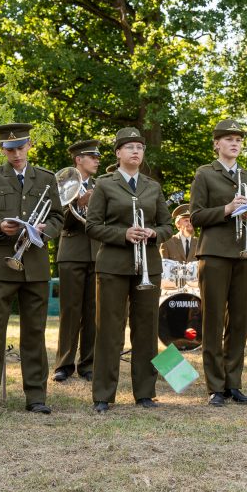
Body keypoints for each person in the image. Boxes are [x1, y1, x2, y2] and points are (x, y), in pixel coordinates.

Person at [0, 123, 65, 418]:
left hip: (34, 265)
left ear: (29, 146)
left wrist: (46, 230)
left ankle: (36, 397)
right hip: (1, 265)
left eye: (21, 147)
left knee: (34, 333)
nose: (16, 153)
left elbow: (60, 218)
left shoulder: (47, 179)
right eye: (10, 149)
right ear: (2, 150)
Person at [85, 127, 173, 412]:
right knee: (109, 330)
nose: (136, 151)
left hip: (148, 264)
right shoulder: (105, 184)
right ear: (118, 153)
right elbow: (92, 225)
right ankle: (103, 395)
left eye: (140, 147)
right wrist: (122, 234)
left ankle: (145, 392)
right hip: (113, 265)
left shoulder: (152, 186)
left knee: (146, 330)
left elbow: (167, 225)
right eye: (130, 147)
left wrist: (153, 233)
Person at [190, 119, 247, 407]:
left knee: (240, 321)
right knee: (214, 320)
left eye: (239, 140)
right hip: (215, 254)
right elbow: (195, 217)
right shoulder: (205, 174)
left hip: (243, 255)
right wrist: (227, 209)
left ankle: (234, 383)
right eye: (229, 139)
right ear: (217, 144)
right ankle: (215, 386)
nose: (235, 144)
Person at [52, 139, 101, 383]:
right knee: (70, 310)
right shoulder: (62, 186)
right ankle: (64, 363)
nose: (97, 160)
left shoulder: (100, 186)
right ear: (78, 159)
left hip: (96, 253)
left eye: (97, 157)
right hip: (72, 251)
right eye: (91, 156)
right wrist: (77, 203)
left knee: (93, 311)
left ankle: (88, 363)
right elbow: (56, 220)